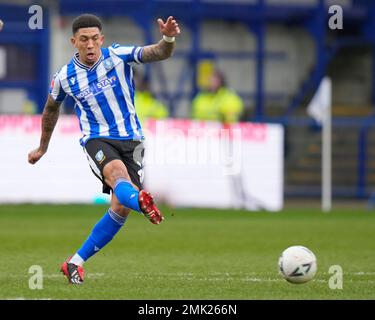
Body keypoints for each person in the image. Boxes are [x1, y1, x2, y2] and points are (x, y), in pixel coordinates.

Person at [28, 14, 180, 285]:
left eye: (94, 39)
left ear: (102, 39)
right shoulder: (64, 77)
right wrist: (42, 147)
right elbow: (51, 108)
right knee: (117, 176)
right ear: (73, 42)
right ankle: (143, 204)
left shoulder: (118, 55)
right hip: (97, 139)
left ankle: (74, 262)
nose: (89, 45)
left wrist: (167, 37)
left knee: (120, 208)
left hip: (132, 140)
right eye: (83, 40)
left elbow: (158, 52)